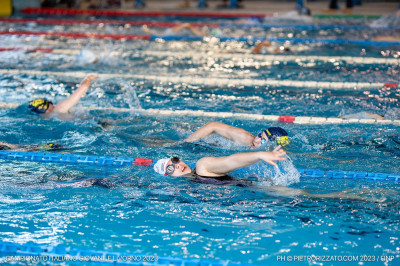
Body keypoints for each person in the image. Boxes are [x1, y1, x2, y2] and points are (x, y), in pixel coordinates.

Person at [154, 146, 286, 181]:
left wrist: (259, 154)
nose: (177, 165)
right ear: (167, 176)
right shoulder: (191, 183)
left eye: (175, 160)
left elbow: (230, 161)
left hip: (262, 191)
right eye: (171, 168)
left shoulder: (202, 166)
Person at [28, 74, 98, 116]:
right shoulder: (60, 108)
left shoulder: (44, 118)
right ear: (49, 107)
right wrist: (88, 78)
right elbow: (84, 88)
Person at [184, 121, 290, 149]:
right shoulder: (245, 138)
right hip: (207, 144)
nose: (256, 140)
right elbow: (213, 125)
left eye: (263, 141)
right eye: (259, 135)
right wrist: (187, 142)